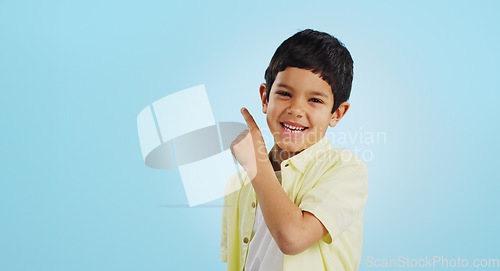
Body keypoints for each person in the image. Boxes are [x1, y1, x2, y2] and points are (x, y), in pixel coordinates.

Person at [221, 29, 369, 271]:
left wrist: (257, 162)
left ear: (337, 113)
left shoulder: (347, 169)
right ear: (264, 98)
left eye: (315, 100)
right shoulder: (238, 184)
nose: (296, 109)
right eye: (284, 94)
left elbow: (293, 238)